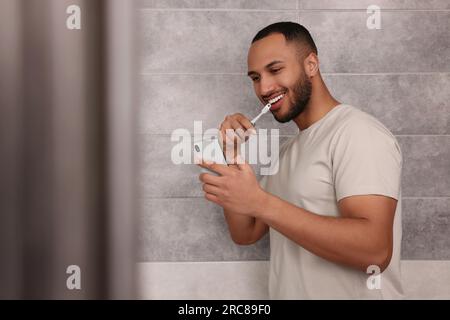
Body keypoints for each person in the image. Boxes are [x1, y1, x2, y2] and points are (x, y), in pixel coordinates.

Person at [198, 22, 403, 299]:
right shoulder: (287, 151)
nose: (264, 87)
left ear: (311, 65)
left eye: (275, 69)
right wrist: (231, 154)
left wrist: (260, 202)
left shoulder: (357, 133)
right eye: (255, 77)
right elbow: (245, 233)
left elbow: (375, 250)